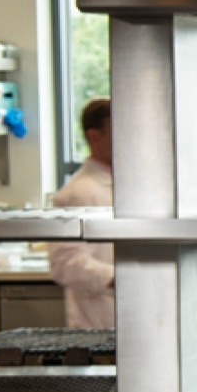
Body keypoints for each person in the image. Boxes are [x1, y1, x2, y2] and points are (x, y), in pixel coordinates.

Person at [47, 98, 115, 328]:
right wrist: (118, 278)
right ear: (94, 136)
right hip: (97, 320)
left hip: (130, 318)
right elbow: (65, 264)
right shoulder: (77, 194)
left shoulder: (123, 185)